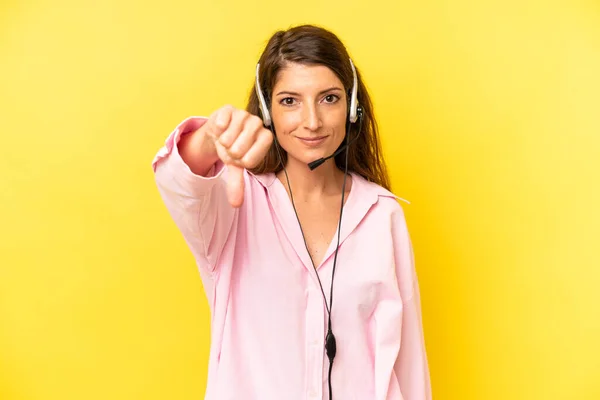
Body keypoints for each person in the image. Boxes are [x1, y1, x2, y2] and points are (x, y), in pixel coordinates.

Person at [152, 24, 431, 400]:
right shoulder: (232, 207)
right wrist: (209, 141)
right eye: (290, 101)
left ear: (351, 107)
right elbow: (178, 181)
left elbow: (408, 365)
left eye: (329, 99)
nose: (312, 121)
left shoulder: (382, 214)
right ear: (267, 110)